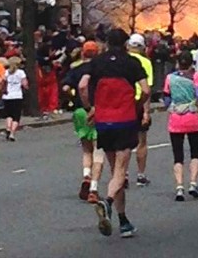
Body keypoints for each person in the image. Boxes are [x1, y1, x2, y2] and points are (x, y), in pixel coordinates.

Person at [79, 29, 150, 238]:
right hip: (125, 120)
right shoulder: (132, 63)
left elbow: (83, 85)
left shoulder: (97, 62)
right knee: (121, 172)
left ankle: (124, 221)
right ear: (126, 44)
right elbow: (145, 90)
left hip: (103, 121)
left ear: (107, 43)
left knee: (114, 172)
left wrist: (90, 108)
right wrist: (137, 105)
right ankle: (107, 202)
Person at [63, 41, 105, 204]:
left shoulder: (76, 69)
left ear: (83, 53)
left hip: (79, 111)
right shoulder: (101, 69)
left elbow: (66, 87)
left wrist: (72, 99)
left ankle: (86, 175)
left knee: (86, 149)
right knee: (98, 150)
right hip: (98, 110)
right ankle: (94, 188)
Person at [164, 51, 198, 201]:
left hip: (176, 118)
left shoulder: (170, 78)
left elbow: (166, 96)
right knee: (195, 152)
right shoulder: (195, 76)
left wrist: (173, 105)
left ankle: (179, 186)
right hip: (192, 117)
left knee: (178, 155)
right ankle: (193, 183)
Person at [127, 33, 153, 187]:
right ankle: (141, 175)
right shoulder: (146, 62)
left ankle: (123, 173)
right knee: (141, 141)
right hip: (139, 102)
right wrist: (146, 111)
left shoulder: (123, 60)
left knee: (125, 141)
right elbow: (147, 89)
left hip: (124, 102)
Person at [2, 56, 28, 142]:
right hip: (17, 96)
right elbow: (25, 84)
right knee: (16, 116)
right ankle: (12, 134)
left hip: (7, 96)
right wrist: (26, 87)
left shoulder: (6, 72)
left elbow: (2, 82)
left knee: (9, 115)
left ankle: (8, 128)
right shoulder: (21, 73)